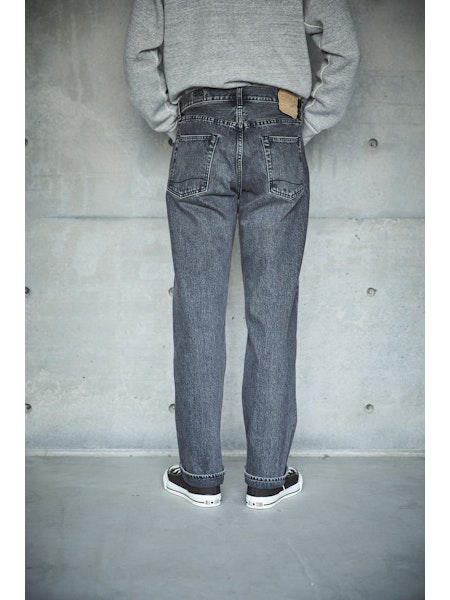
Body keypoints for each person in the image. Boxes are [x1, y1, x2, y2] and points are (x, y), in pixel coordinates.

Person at [124, 0, 360, 509]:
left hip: (198, 126)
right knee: (273, 313)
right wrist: (304, 125)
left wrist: (173, 123)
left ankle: (200, 477)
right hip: (277, 123)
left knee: (197, 311)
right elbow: (343, 49)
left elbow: (139, 53)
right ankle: (268, 478)